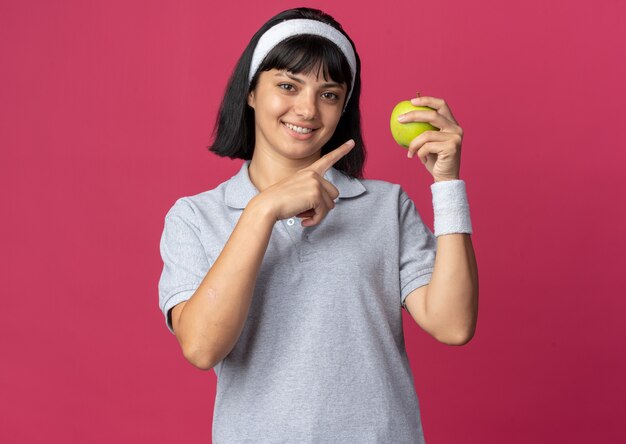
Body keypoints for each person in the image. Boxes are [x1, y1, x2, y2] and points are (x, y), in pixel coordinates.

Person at [158, 6, 478, 443]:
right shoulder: (195, 217)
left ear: (343, 106)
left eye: (328, 94)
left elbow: (454, 324)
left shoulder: (385, 206)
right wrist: (262, 211)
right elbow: (201, 347)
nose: (307, 109)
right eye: (288, 86)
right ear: (250, 93)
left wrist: (447, 184)